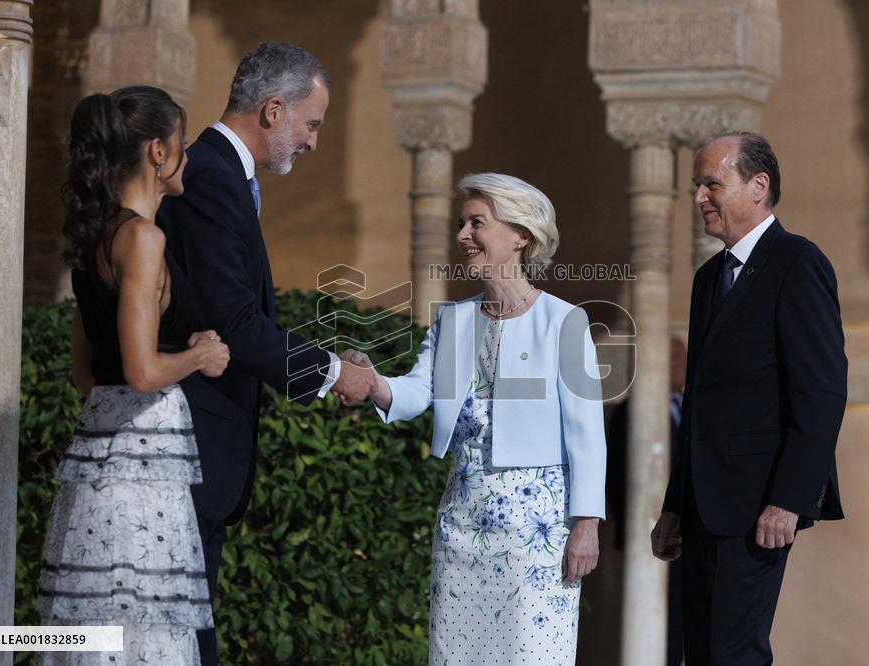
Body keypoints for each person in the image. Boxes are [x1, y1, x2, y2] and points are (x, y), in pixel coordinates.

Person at [156, 42, 376, 664]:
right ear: (273, 111)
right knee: (179, 635)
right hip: (188, 445)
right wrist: (332, 374)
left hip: (204, 449)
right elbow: (234, 320)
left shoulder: (221, 176)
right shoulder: (210, 176)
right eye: (311, 124)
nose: (312, 143)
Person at [343, 173, 606, 665]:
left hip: (536, 535)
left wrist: (586, 526)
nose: (462, 235)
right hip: (460, 525)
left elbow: (588, 437)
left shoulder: (564, 322)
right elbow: (418, 391)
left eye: (476, 223)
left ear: (520, 236)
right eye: (462, 223)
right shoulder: (454, 320)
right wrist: (372, 382)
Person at [38, 86, 230, 664]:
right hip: (143, 469)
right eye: (181, 143)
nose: (187, 159)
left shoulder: (94, 239)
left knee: (100, 624)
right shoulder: (143, 239)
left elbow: (86, 373)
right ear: (157, 151)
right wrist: (200, 356)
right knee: (145, 625)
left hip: (101, 453)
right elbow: (142, 372)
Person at [651, 132, 847, 665]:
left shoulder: (798, 263)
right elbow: (698, 405)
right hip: (701, 509)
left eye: (712, 183)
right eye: (696, 186)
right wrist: (675, 504)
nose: (698, 198)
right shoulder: (707, 278)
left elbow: (822, 392)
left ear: (758, 186)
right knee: (703, 653)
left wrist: (790, 497)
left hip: (760, 503)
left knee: (735, 653)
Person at [604, 336, 686, 665]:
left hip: (695, 536)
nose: (682, 365)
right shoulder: (630, 411)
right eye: (675, 357)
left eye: (682, 357)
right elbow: (616, 475)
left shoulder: (697, 406)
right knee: (656, 628)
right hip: (652, 537)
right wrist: (634, 531)